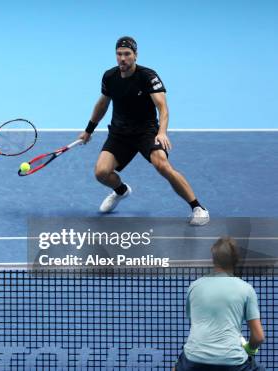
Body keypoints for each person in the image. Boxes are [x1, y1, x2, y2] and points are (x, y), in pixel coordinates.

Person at [78, 36, 209, 225]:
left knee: (162, 165)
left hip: (146, 132)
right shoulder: (110, 77)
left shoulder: (148, 76)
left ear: (135, 55)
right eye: (119, 54)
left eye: (127, 54)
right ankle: (121, 191)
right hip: (120, 134)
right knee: (101, 173)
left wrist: (162, 132)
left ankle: (198, 208)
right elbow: (102, 104)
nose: (122, 58)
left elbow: (162, 107)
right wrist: (88, 130)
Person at [174, 237, 266, 370]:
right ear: (236, 260)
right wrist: (250, 349)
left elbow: (197, 322)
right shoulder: (246, 289)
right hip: (233, 363)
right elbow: (258, 337)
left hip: (194, 361)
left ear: (213, 259)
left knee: (176, 367)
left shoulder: (194, 287)